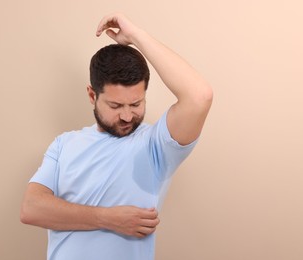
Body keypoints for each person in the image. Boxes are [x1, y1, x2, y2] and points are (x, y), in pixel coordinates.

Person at [20, 13, 213, 260]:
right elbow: (31, 209)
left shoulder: (156, 145)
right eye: (115, 106)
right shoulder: (64, 144)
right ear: (92, 95)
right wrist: (109, 218)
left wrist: (137, 37)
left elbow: (200, 97)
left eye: (135, 104)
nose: (126, 116)